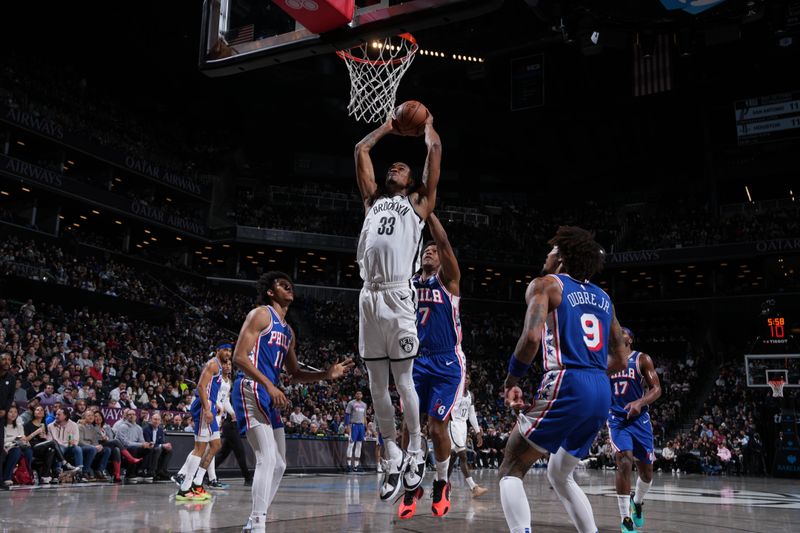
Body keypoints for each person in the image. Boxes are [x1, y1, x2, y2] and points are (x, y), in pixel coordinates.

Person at [499, 226, 628, 533]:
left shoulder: (547, 285)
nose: (546, 254)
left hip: (568, 381)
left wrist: (511, 379)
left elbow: (531, 338)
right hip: (600, 388)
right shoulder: (604, 298)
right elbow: (622, 358)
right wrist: (591, 372)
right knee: (560, 475)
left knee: (511, 467)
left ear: (561, 256)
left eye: (551, 250)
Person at [354, 112, 442, 501]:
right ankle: (390, 453)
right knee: (376, 383)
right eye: (393, 165)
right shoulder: (373, 201)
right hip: (368, 297)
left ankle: (416, 448)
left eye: (403, 166)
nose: (396, 166)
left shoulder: (419, 203)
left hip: (399, 296)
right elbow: (361, 148)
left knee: (404, 381)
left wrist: (425, 125)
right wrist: (388, 127)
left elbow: (435, 150)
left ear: (413, 181)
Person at [231, 271, 354, 533]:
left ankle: (255, 519)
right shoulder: (261, 314)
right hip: (250, 387)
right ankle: (258, 524)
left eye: (290, 284)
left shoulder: (288, 332)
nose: (288, 286)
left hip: (268, 393)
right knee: (266, 458)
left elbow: (296, 374)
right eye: (281, 284)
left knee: (281, 463)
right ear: (270, 292)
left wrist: (326, 374)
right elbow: (239, 357)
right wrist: (268, 384)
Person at [399, 213, 465, 519]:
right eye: (425, 250)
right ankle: (411, 486)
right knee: (408, 428)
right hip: (416, 359)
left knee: (438, 426)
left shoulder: (448, 279)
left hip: (447, 360)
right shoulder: (409, 282)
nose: (429, 251)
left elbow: (444, 243)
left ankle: (441, 482)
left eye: (433, 251)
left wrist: (428, 213)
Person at [608, 328, 662, 532]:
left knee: (647, 472)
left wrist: (640, 402)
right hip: (616, 418)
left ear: (630, 338)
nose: (617, 332)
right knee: (623, 461)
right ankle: (625, 519)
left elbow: (656, 389)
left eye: (622, 331)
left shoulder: (641, 359)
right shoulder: (605, 360)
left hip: (639, 419)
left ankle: (637, 502)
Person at [173, 344, 231, 501]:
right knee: (199, 448)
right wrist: (206, 408)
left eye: (230, 351)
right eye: (226, 350)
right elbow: (200, 386)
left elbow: (211, 390)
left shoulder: (219, 367)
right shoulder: (212, 364)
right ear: (218, 350)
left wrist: (214, 405)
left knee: (215, 445)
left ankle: (197, 484)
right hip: (204, 409)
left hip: (211, 407)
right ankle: (185, 488)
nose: (228, 353)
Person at [447, 373, 488, 498]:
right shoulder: (453, 391)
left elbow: (472, 415)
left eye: (468, 377)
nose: (466, 379)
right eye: (464, 377)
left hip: (463, 425)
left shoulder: (471, 395)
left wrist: (477, 433)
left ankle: (442, 482)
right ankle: (474, 487)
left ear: (470, 381)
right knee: (463, 455)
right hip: (453, 423)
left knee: (453, 457)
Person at [208, 355, 236, 489]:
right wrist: (216, 406)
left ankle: (211, 478)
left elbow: (225, 400)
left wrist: (232, 412)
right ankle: (206, 478)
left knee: (211, 448)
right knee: (208, 448)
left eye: (230, 365)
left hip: (219, 416)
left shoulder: (229, 382)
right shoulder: (216, 378)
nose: (228, 366)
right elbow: (212, 395)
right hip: (212, 412)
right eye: (225, 364)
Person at [3, 405, 33, 488]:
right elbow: (3, 440)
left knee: (28, 451)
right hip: (6, 448)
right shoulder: (3, 426)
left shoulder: (19, 426)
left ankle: (27, 475)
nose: (13, 414)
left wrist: (24, 441)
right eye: (11, 412)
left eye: (15, 412)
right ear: (6, 413)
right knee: (16, 451)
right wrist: (15, 438)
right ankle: (7, 477)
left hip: (18, 446)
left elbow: (22, 438)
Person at [142, 412, 173, 482]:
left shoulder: (160, 430)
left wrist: (166, 445)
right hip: (147, 448)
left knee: (169, 450)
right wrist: (162, 445)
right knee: (158, 449)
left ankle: (162, 471)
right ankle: (151, 471)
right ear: (151, 420)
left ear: (160, 421)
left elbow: (161, 442)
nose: (156, 421)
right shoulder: (146, 429)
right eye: (155, 419)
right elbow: (148, 443)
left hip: (157, 447)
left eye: (158, 420)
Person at [345, 391, 368, 472]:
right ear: (355, 395)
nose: (358, 395)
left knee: (359, 445)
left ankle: (356, 466)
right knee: (351, 444)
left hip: (361, 426)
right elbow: (347, 415)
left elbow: (364, 417)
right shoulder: (351, 403)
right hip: (353, 425)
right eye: (357, 393)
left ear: (362, 395)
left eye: (360, 394)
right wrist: (347, 426)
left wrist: (366, 428)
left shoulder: (364, 404)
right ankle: (348, 465)